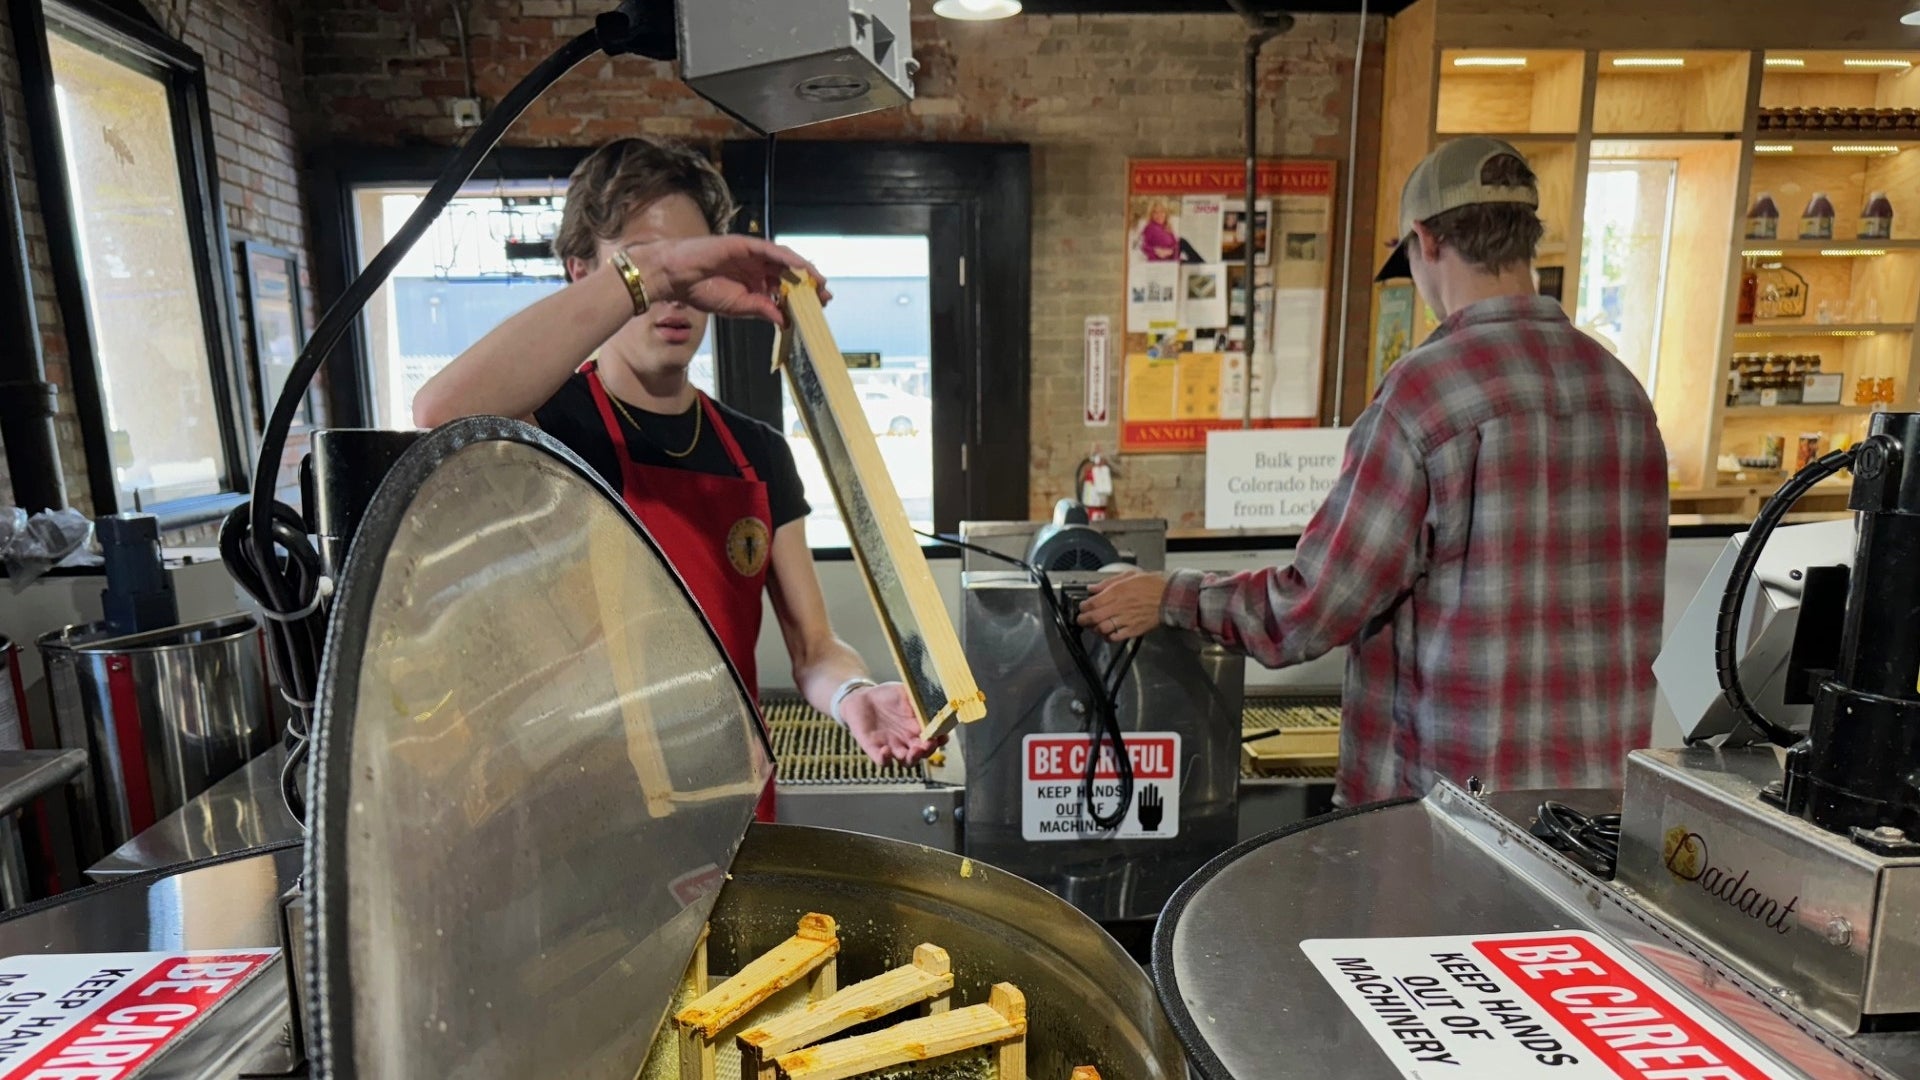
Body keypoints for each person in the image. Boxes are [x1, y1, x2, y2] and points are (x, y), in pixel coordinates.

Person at [1077, 136, 1669, 806]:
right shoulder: (1622, 394)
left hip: (1447, 824)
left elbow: (1309, 610)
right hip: (1593, 822)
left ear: (1426, 241)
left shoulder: (1427, 394)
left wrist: (1168, 596)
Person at [413, 137, 940, 820]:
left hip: (731, 810)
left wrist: (853, 694)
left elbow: (813, 649)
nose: (678, 291)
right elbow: (439, 411)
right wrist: (650, 274)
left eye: (695, 261)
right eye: (651, 263)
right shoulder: (549, 430)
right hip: (588, 825)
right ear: (583, 272)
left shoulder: (757, 453)